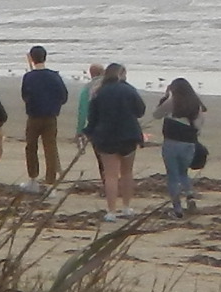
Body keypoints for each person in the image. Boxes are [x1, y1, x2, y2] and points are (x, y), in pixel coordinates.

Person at [88, 62, 146, 220]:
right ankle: (126, 207)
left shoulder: (99, 91)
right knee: (127, 172)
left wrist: (88, 132)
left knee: (111, 175)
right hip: (128, 135)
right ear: (121, 74)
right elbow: (140, 110)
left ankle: (111, 211)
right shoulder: (128, 90)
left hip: (106, 136)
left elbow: (92, 116)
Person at [17, 45, 67, 185]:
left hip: (34, 117)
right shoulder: (54, 76)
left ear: (32, 59)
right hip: (51, 116)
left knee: (31, 147)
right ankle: (50, 182)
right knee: (50, 148)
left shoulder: (29, 77)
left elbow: (25, 96)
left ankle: (33, 178)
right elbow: (63, 96)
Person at [157, 78, 208, 217]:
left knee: (173, 176)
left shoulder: (171, 102)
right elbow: (198, 126)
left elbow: (156, 115)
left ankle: (177, 209)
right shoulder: (196, 104)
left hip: (171, 142)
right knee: (183, 172)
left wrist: (165, 97)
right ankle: (189, 194)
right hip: (189, 143)